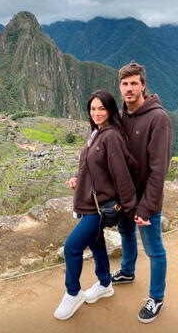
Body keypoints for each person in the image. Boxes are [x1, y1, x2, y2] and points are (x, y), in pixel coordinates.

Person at [54, 91, 137, 320]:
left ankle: (73, 293)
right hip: (88, 202)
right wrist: (78, 180)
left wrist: (131, 208)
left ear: (110, 110)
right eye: (93, 109)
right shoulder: (96, 133)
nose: (96, 113)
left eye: (101, 108)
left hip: (98, 207)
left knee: (72, 247)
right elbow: (92, 168)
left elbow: (121, 174)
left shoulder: (111, 136)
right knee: (97, 243)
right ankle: (105, 283)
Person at [110, 62, 173, 323]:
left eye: (134, 83)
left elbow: (159, 170)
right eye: (124, 84)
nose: (129, 88)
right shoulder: (120, 116)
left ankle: (156, 297)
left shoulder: (159, 119)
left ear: (143, 85)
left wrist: (146, 207)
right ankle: (127, 270)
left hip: (146, 200)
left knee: (154, 249)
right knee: (125, 235)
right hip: (125, 197)